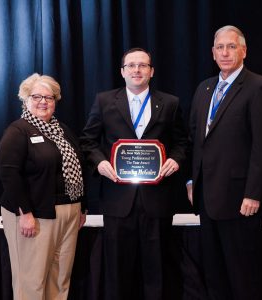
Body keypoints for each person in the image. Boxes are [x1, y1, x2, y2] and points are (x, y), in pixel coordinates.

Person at [80, 48, 187, 300]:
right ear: (122, 71)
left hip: (157, 199)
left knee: (157, 269)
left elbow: (183, 142)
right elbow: (88, 141)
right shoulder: (105, 101)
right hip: (118, 200)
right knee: (117, 270)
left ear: (151, 71)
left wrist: (175, 159)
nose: (136, 70)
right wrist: (100, 163)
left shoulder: (170, 103)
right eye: (131, 66)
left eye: (142, 65)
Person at [186, 25, 262, 300]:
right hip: (207, 200)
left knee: (243, 277)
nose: (225, 52)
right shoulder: (204, 89)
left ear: (244, 51)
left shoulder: (260, 87)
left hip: (241, 202)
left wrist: (253, 193)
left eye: (231, 46)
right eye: (220, 47)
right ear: (213, 53)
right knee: (214, 276)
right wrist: (193, 181)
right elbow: (196, 141)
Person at [0, 73, 87, 300]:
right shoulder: (18, 131)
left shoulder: (63, 130)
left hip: (68, 213)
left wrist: (81, 208)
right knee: (31, 282)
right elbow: (9, 174)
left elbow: (78, 168)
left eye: (49, 97)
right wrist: (24, 212)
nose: (43, 102)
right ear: (25, 99)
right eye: (37, 96)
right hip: (34, 214)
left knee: (60, 279)